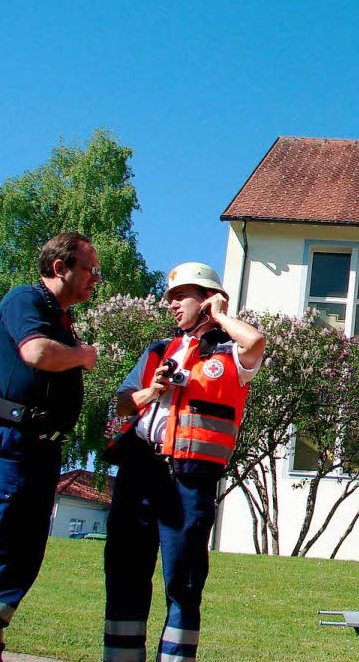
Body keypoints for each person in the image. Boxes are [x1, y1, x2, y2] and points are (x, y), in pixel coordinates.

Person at [0, 233, 100, 662]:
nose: (95, 279)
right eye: (89, 269)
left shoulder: (60, 316)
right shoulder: (24, 301)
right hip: (9, 444)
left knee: (24, 557)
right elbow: (36, 353)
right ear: (59, 267)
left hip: (41, 451)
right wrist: (83, 356)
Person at [102, 262, 265, 662]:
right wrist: (150, 390)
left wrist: (223, 316)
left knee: (184, 581)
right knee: (124, 572)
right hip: (139, 472)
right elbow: (122, 402)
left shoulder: (230, 354)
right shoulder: (158, 349)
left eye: (181, 296)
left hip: (189, 479)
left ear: (207, 298)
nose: (171, 304)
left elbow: (256, 342)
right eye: (169, 297)